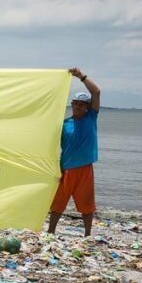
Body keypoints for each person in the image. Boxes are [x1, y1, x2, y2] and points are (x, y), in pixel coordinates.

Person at [48, 67, 100, 236]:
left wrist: (81, 76)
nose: (78, 106)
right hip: (66, 169)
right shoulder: (64, 124)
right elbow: (50, 144)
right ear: (71, 104)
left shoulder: (91, 118)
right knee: (58, 202)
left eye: (82, 104)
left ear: (87, 107)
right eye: (75, 103)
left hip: (85, 169)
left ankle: (87, 234)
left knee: (87, 204)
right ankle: (51, 231)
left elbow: (96, 92)